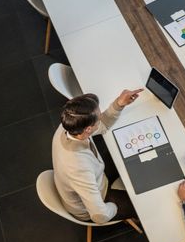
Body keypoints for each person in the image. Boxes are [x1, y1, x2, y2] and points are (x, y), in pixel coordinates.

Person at [52, 88, 143, 224]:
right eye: (98, 117)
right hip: (94, 204)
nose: (101, 117)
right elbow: (100, 216)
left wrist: (119, 104)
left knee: (128, 155)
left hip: (95, 175)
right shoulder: (78, 168)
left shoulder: (69, 124)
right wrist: (115, 206)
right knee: (143, 201)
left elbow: (103, 124)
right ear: (88, 129)